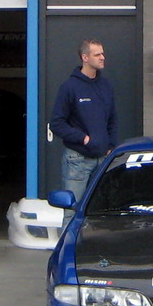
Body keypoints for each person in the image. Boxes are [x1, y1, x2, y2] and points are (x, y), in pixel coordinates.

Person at [50, 38, 117, 200]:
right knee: (73, 209)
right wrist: (84, 139)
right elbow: (56, 124)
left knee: (100, 210)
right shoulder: (69, 87)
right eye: (97, 54)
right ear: (85, 58)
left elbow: (112, 119)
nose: (102, 57)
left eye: (103, 54)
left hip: (103, 159)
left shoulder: (106, 86)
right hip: (77, 160)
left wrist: (111, 147)